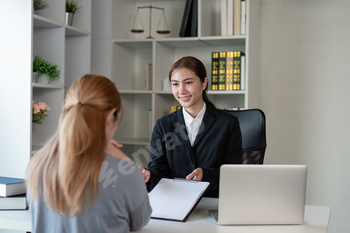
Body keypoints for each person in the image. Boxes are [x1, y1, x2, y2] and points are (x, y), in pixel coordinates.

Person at [26, 74, 152, 233]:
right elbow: (140, 221)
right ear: (110, 115)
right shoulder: (124, 172)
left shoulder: (38, 165)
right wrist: (121, 157)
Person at [143, 56, 243, 197]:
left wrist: (206, 175)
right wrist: (148, 177)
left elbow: (234, 173)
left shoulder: (227, 123)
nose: (181, 90)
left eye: (188, 82)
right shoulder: (163, 125)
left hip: (213, 202)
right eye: (175, 84)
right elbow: (158, 172)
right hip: (175, 201)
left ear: (204, 83)